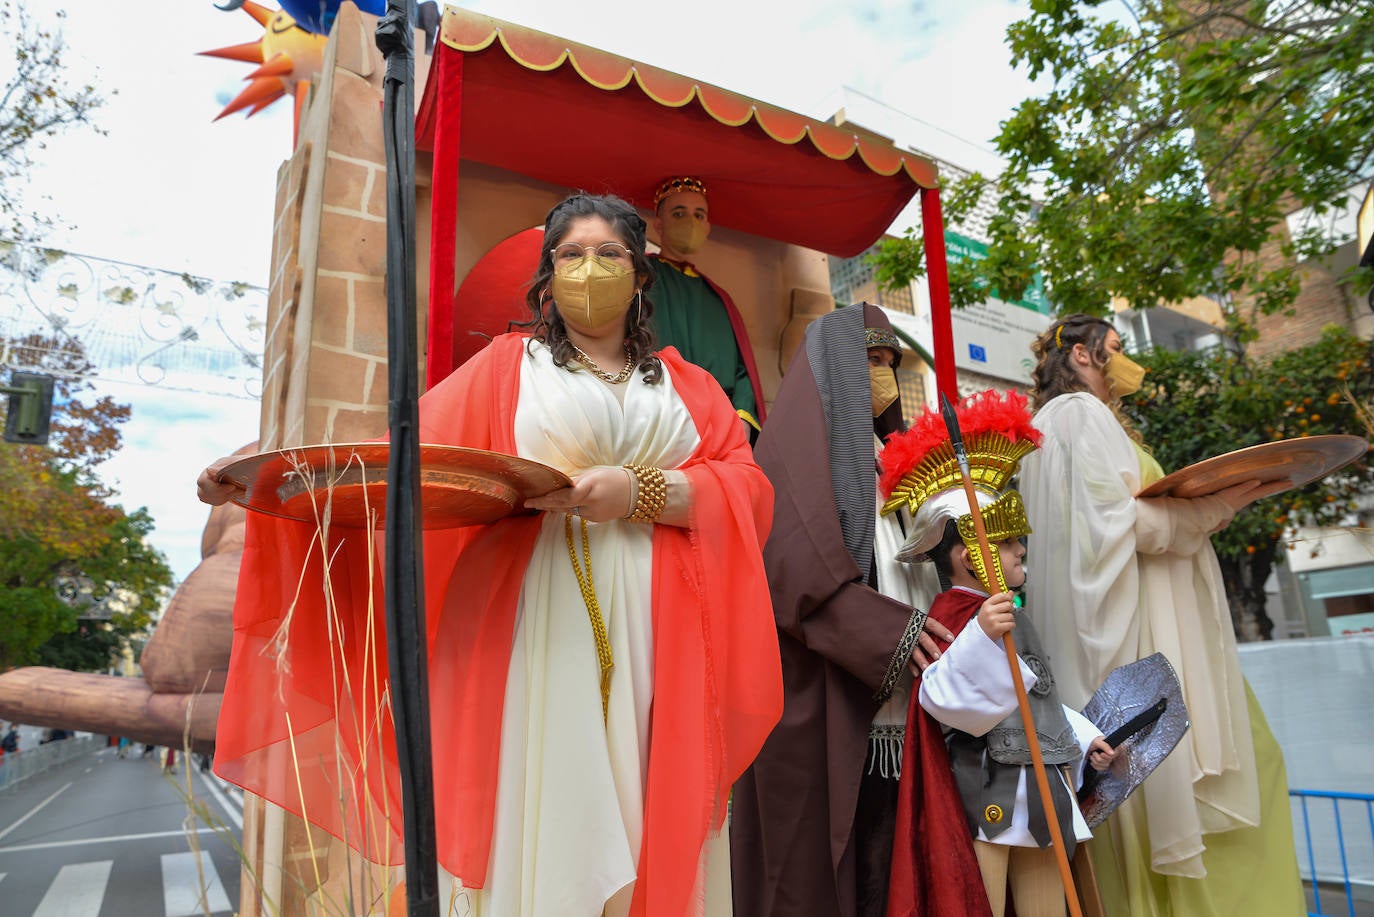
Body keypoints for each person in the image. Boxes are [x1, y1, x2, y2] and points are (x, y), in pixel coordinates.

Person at [198, 192, 782, 917]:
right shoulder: (510, 366)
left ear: (640, 275)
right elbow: (402, 457)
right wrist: (273, 468)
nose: (589, 269)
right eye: (571, 254)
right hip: (534, 625)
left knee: (647, 809)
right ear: (546, 275)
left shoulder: (688, 386)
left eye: (609, 255)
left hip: (659, 631)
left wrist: (638, 491)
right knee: (548, 800)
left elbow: (747, 492)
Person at [1018, 314, 1304, 915]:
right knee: (1245, 767)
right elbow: (1118, 528)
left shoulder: (1046, 428)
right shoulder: (1078, 416)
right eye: (1115, 349)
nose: (1127, 361)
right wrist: (1217, 506)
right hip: (1147, 641)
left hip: (1128, 638)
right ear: (1082, 355)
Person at [730, 304, 953, 917]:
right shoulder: (788, 460)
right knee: (828, 875)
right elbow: (795, 571)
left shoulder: (900, 461)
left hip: (913, 705)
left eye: (889, 363)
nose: (880, 375)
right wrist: (894, 635)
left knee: (902, 869)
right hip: (828, 699)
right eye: (869, 361)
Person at [877, 389, 1116, 917]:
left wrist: (1083, 735)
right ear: (968, 555)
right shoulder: (954, 616)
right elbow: (940, 699)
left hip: (1040, 790)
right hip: (985, 793)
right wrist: (980, 638)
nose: (1022, 550)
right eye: (1009, 542)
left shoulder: (1009, 613)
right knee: (976, 903)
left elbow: (1038, 699)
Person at [649, 176, 767, 437]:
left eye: (698, 215)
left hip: (719, 428)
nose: (690, 222)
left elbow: (742, 372)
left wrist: (742, 420)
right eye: (678, 213)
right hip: (656, 419)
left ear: (707, 227)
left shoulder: (718, 298)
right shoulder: (641, 279)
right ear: (659, 224)